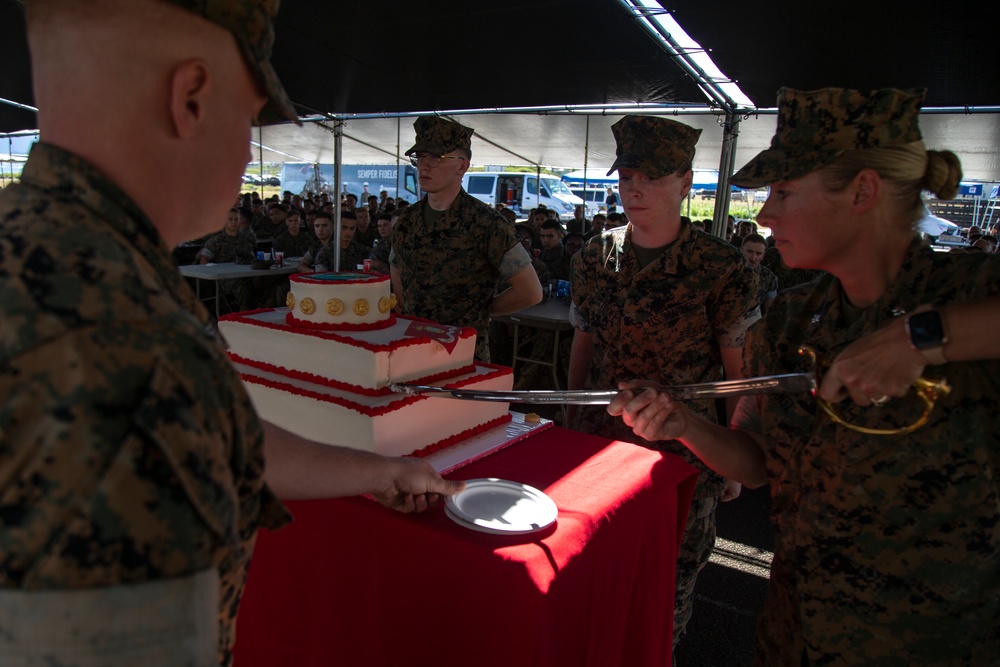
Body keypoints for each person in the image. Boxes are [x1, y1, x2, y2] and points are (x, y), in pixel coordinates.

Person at [0, 2, 462, 665]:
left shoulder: (69, 257)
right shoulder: (129, 344)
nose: (251, 151)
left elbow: (220, 435)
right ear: (190, 98)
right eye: (250, 120)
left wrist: (376, 469)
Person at [608, 87, 1000, 666]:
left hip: (934, 638)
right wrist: (684, 423)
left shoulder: (968, 291)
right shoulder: (790, 319)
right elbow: (756, 460)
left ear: (863, 192)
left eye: (784, 192)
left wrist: (922, 337)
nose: (764, 215)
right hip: (798, 625)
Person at [567, 115, 760, 653]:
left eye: (651, 177)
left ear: (685, 182)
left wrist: (732, 459)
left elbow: (736, 368)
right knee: (594, 582)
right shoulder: (593, 257)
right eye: (626, 174)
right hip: (598, 451)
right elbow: (582, 342)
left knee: (662, 602)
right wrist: (566, 422)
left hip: (681, 460)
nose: (634, 188)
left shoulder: (720, 268)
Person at [390, 116, 542, 361]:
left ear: (462, 166)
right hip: (412, 349)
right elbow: (396, 269)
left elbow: (530, 291)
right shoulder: (406, 221)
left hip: (462, 355)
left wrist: (481, 311)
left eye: (436, 158)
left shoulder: (488, 224)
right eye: (420, 157)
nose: (424, 166)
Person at [740, 232, 778, 314]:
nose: (753, 258)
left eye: (758, 253)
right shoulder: (727, 271)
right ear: (741, 250)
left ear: (763, 255)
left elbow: (769, 309)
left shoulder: (768, 277)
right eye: (749, 252)